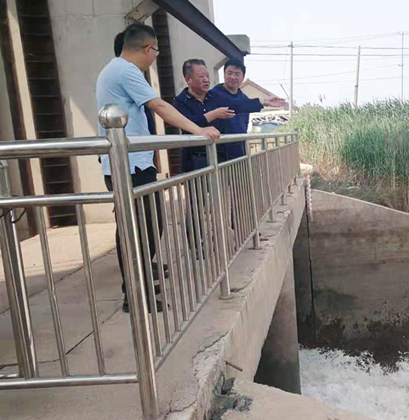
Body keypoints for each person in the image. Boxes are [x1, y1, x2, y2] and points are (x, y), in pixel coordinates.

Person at [96, 23, 220, 313]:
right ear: (148, 48)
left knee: (135, 228)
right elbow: (160, 107)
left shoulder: (111, 71)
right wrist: (198, 130)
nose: (154, 58)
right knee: (145, 229)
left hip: (126, 163)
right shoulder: (126, 71)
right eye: (156, 52)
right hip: (131, 166)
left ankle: (136, 287)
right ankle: (137, 295)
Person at [173, 58, 285, 170]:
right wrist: (213, 114)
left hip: (218, 158)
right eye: (201, 76)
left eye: (207, 76)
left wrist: (264, 101)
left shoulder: (214, 97)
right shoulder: (180, 102)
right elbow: (187, 124)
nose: (206, 80)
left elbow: (237, 105)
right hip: (195, 160)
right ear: (188, 79)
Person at [210, 58, 284, 162]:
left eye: (237, 74)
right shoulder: (214, 95)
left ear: (243, 77)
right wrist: (263, 101)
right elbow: (234, 105)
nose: (233, 77)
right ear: (224, 75)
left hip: (240, 150)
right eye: (229, 73)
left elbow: (244, 123)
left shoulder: (244, 98)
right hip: (220, 152)